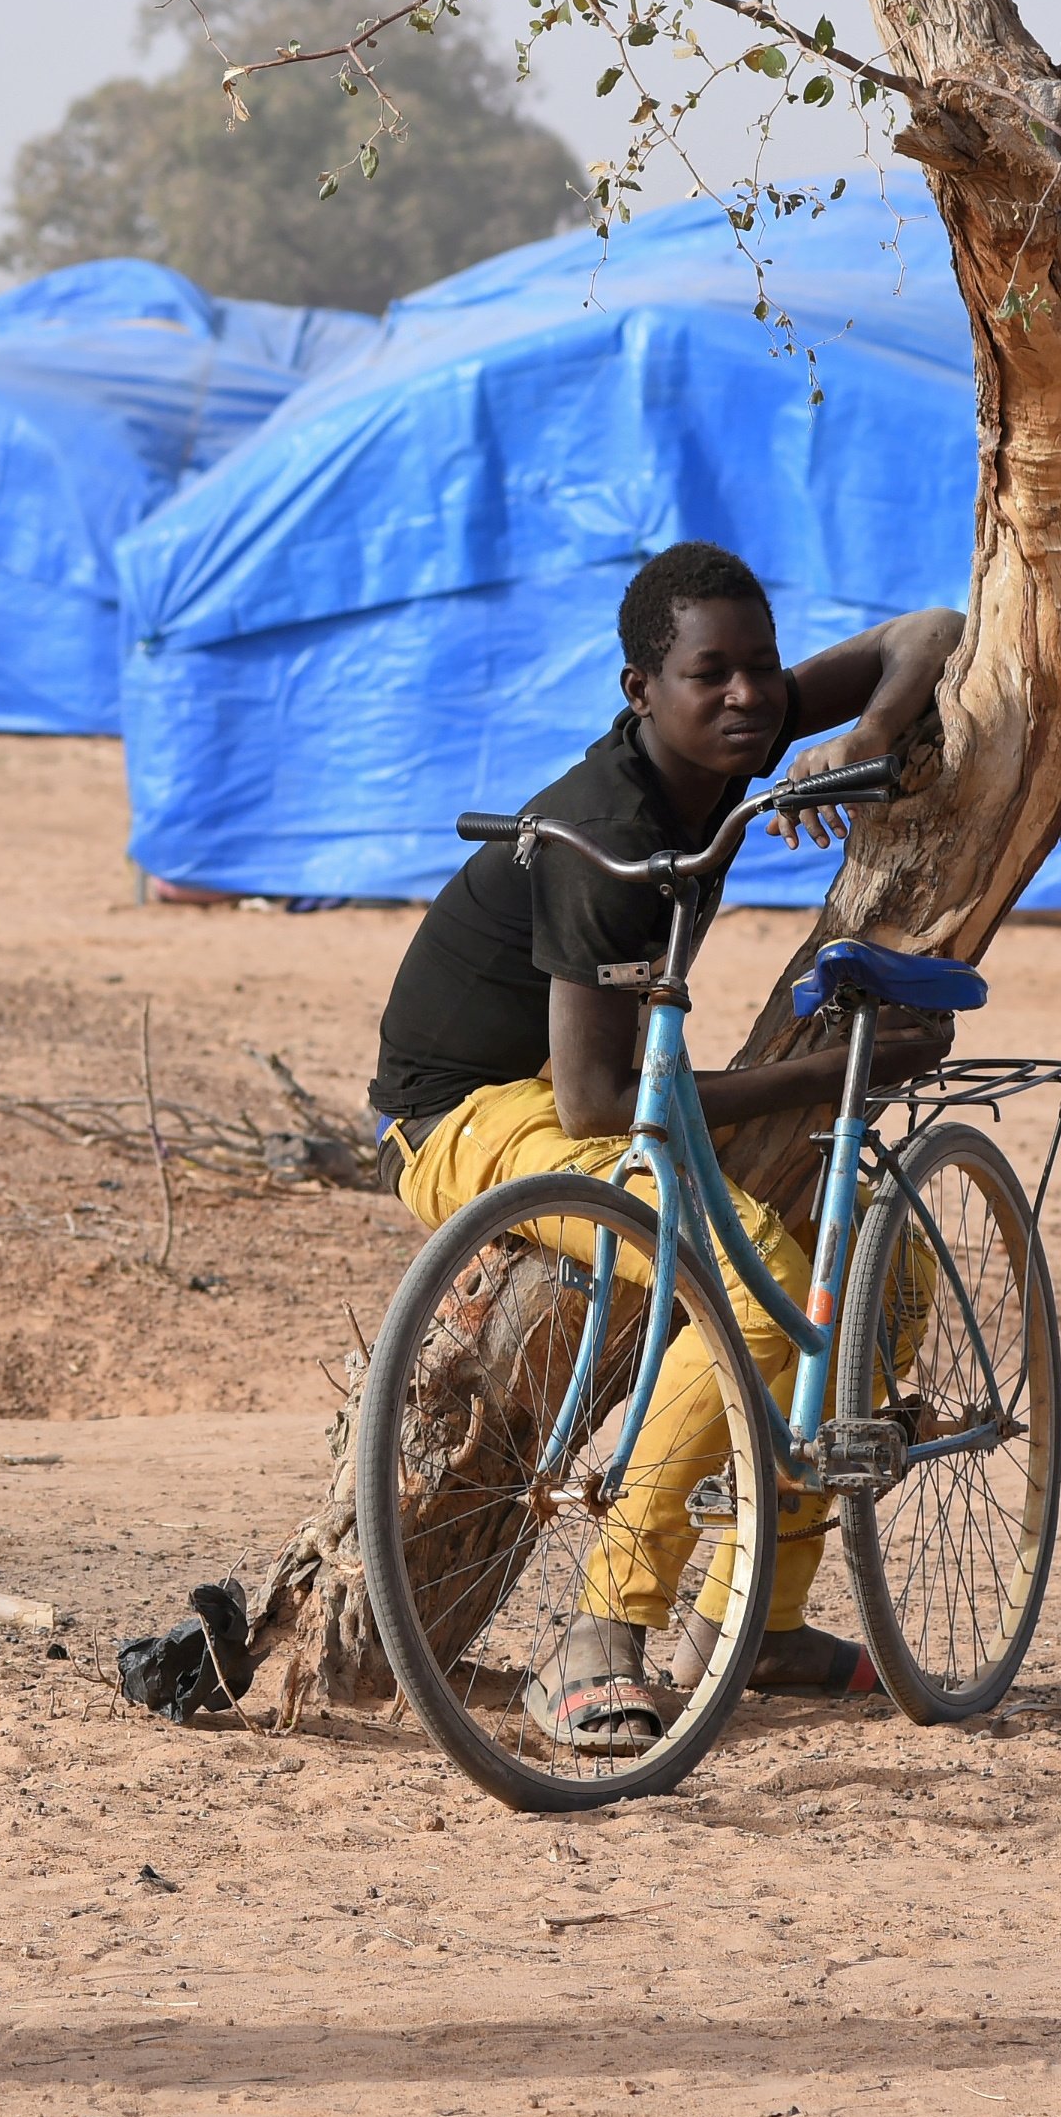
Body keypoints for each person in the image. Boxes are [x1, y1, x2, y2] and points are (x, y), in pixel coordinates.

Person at [363, 542, 960, 1755]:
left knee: (878, 1283)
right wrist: (839, 1068)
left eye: (763, 669)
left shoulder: (746, 721)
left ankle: (764, 1616)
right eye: (709, 676)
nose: (745, 696)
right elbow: (591, 1102)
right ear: (642, 690)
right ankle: (606, 1622)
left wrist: (862, 734)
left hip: (581, 1089)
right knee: (753, 1295)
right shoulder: (602, 833)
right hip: (477, 1114)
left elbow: (933, 625)